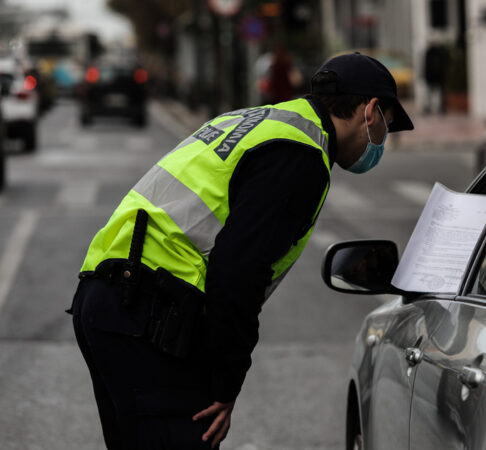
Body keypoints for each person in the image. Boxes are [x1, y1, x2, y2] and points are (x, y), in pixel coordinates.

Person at [69, 52, 413, 449]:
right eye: (388, 123)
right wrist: (225, 384)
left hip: (105, 296)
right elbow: (238, 272)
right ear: (370, 112)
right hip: (148, 314)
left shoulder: (256, 121)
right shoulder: (301, 154)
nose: (384, 139)